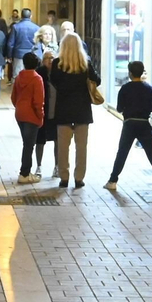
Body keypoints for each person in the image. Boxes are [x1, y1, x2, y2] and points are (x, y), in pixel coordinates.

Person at [105, 62, 152, 192]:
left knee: (122, 153)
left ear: (130, 73)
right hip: (144, 124)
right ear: (142, 72)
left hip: (129, 124)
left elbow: (119, 108)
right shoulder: (148, 88)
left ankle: (112, 181)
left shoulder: (125, 88)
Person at [48, 33, 98, 188]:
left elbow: (54, 81)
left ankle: (64, 177)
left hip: (63, 109)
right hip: (82, 110)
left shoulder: (57, 63)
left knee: (63, 146)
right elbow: (97, 79)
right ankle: (79, 178)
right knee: (81, 146)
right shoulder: (85, 63)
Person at [10, 52, 46, 183]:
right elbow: (38, 101)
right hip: (31, 116)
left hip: (20, 114)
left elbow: (13, 96)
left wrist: (19, 106)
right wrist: (41, 116)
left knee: (27, 144)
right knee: (29, 145)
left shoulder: (19, 77)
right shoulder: (37, 79)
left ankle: (25, 172)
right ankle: (24, 173)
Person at [36, 50, 57, 175]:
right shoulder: (39, 74)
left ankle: (57, 166)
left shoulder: (59, 75)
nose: (50, 60)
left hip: (56, 113)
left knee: (58, 141)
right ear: (43, 60)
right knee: (39, 141)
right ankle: (38, 166)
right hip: (42, 113)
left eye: (53, 58)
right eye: (47, 58)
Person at [7, 8, 39, 72]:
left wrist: (9, 55)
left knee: (17, 76)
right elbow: (38, 44)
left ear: (21, 16)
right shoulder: (36, 28)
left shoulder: (15, 27)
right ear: (31, 16)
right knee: (31, 76)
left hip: (18, 55)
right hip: (32, 55)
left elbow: (11, 44)